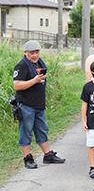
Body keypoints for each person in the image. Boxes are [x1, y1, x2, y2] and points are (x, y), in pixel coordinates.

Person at [13, 40, 65, 169]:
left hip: (38, 105)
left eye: (37, 52)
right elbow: (17, 85)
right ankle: (28, 158)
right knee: (26, 132)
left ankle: (47, 155)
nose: (35, 55)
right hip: (25, 105)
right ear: (25, 53)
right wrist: (34, 81)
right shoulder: (22, 66)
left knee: (42, 130)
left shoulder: (39, 63)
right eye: (31, 53)